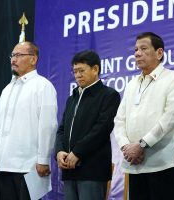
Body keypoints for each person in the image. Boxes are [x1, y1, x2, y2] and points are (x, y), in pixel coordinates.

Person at [114, 32, 174, 200]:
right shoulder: (132, 84)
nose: (137, 53)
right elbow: (119, 120)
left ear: (159, 53)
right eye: (135, 50)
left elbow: (170, 118)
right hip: (135, 163)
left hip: (163, 163)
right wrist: (126, 147)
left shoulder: (173, 78)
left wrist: (141, 145)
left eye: (143, 49)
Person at [0, 41, 58, 200]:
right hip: (5, 164)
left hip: (29, 165)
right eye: (12, 55)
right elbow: (2, 127)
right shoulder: (7, 89)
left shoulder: (43, 86)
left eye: (19, 55)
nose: (13, 60)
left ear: (33, 59)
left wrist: (43, 159)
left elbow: (47, 126)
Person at [55, 50, 121, 200]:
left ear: (95, 69)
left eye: (81, 71)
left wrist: (77, 152)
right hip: (69, 169)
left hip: (92, 170)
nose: (77, 75)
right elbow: (61, 129)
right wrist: (59, 151)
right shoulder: (72, 98)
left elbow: (102, 129)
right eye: (75, 71)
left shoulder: (109, 95)